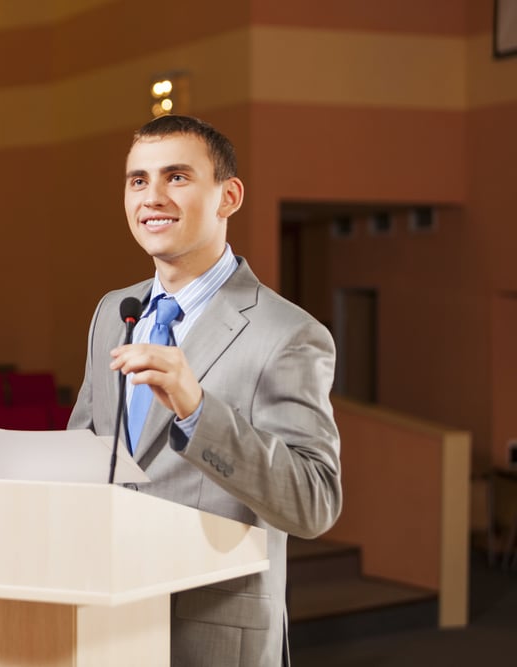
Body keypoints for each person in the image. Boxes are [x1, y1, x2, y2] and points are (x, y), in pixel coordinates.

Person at [67, 114, 342, 667]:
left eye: (177, 176)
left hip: (210, 634)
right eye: (138, 180)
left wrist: (197, 412)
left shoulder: (288, 333)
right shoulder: (112, 312)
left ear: (228, 196)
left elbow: (315, 503)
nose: (153, 197)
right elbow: (90, 452)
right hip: (105, 619)